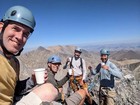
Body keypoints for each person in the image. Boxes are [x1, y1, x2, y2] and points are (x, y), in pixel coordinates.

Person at [0, 5, 58, 105]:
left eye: (25, 34)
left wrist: (32, 81)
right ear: (1, 27)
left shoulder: (14, 62)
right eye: (15, 28)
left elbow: (14, 90)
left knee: (50, 90)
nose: (19, 37)